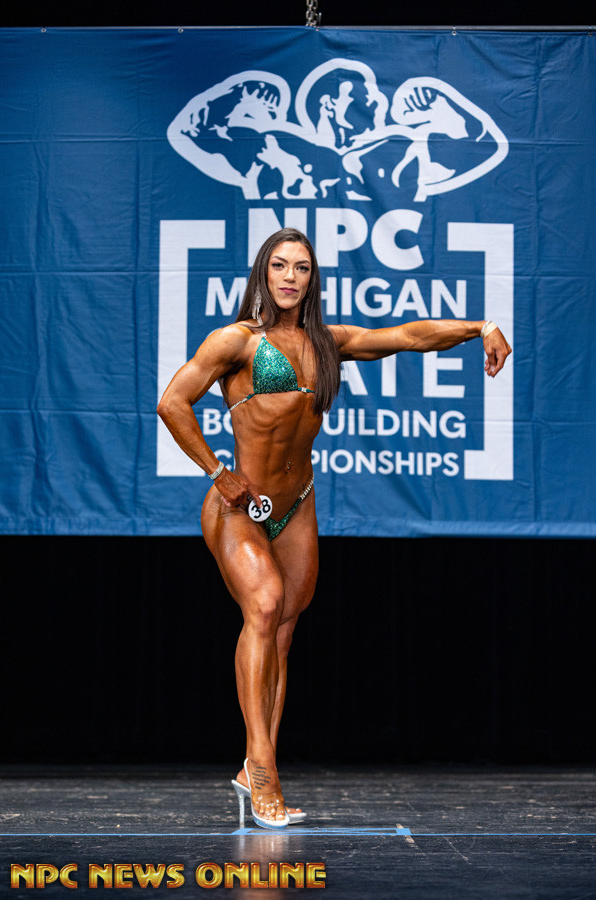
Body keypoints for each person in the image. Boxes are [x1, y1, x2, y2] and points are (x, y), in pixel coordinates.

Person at [156, 227, 511, 829]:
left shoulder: (327, 343)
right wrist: (219, 473)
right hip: (239, 506)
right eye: (280, 266)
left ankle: (252, 765)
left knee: (283, 633)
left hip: (297, 505)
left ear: (312, 279)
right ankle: (262, 768)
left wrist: (481, 327)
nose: (290, 277)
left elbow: (407, 336)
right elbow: (172, 402)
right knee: (263, 605)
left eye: (301, 268)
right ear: (263, 274)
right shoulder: (236, 341)